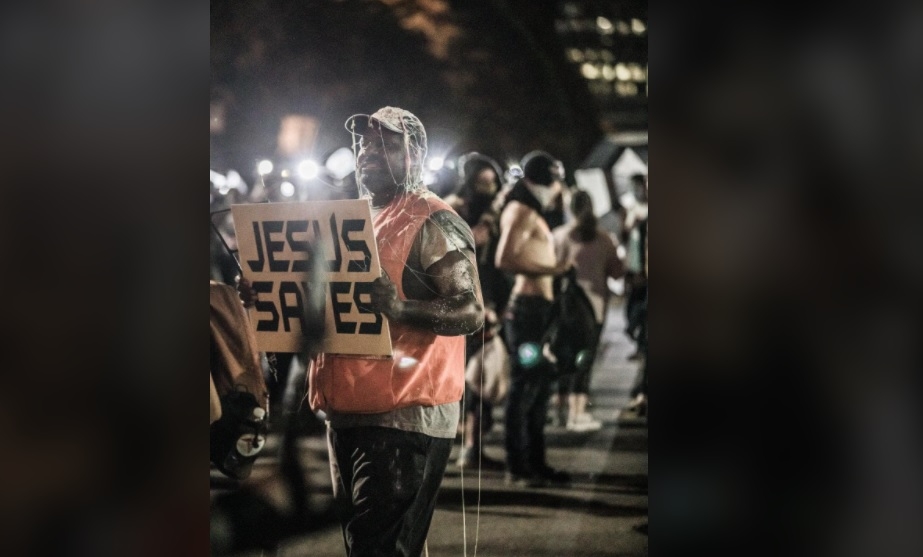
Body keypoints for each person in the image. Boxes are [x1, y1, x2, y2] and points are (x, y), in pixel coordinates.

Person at [241, 106, 484, 557]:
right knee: (372, 546)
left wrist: (399, 307)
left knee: (379, 549)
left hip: (405, 414)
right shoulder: (352, 221)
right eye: (364, 143)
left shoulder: (433, 219)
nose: (368, 151)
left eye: (386, 143)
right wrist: (267, 298)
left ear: (414, 155)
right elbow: (320, 313)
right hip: (347, 413)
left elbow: (470, 311)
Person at [495, 150, 573, 488]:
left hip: (537, 310)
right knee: (525, 386)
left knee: (538, 388)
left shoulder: (530, 210)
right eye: (555, 182)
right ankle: (518, 465)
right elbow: (504, 258)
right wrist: (552, 269)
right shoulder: (522, 211)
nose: (558, 189)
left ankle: (535, 463)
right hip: (527, 310)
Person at [446, 152, 512, 469]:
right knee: (476, 376)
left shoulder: (493, 211)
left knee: (482, 375)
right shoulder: (456, 208)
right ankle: (470, 447)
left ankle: (474, 445)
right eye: (483, 181)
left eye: (493, 181)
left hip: (490, 300)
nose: (490, 187)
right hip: (469, 302)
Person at [551, 190, 625, 431]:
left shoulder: (558, 237)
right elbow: (616, 273)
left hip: (563, 308)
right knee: (584, 359)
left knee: (563, 358)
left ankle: (559, 410)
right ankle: (577, 413)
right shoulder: (604, 239)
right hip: (594, 308)